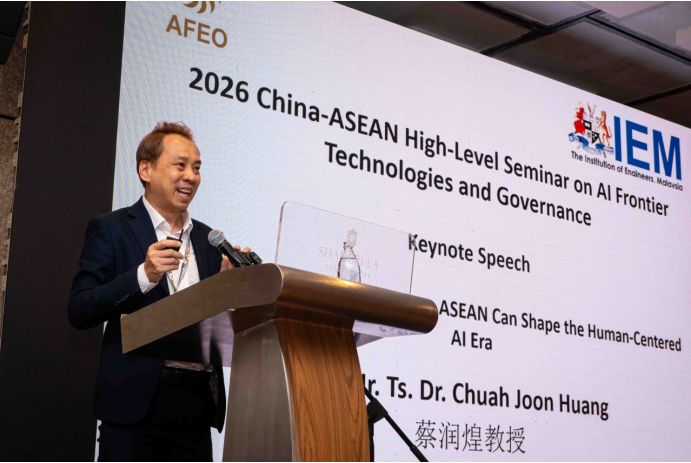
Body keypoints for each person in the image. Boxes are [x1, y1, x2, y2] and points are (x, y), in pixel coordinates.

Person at [68, 122, 239, 461]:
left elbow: (208, 323)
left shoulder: (209, 241)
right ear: (145, 170)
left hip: (195, 405)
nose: (191, 176)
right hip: (135, 402)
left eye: (196, 168)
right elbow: (80, 308)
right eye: (180, 165)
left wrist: (226, 289)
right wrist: (143, 275)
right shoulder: (112, 228)